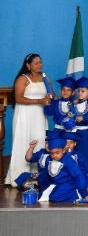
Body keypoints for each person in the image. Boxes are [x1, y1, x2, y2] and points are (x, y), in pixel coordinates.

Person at [5, 53, 51, 185]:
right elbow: (19, 98)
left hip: (40, 116)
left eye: (40, 62)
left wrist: (58, 100)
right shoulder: (22, 79)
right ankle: (18, 176)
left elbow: (51, 95)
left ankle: (38, 176)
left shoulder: (45, 78)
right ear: (28, 65)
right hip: (24, 115)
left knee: (40, 140)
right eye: (36, 63)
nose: (39, 65)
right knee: (23, 141)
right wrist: (39, 101)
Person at [38, 136, 88, 203]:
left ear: (63, 150)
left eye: (57, 153)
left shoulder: (68, 160)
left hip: (69, 183)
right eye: (52, 153)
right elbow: (47, 174)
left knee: (54, 197)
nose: (54, 156)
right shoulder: (49, 159)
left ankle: (77, 194)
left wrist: (84, 193)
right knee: (44, 194)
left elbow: (78, 175)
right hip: (57, 184)